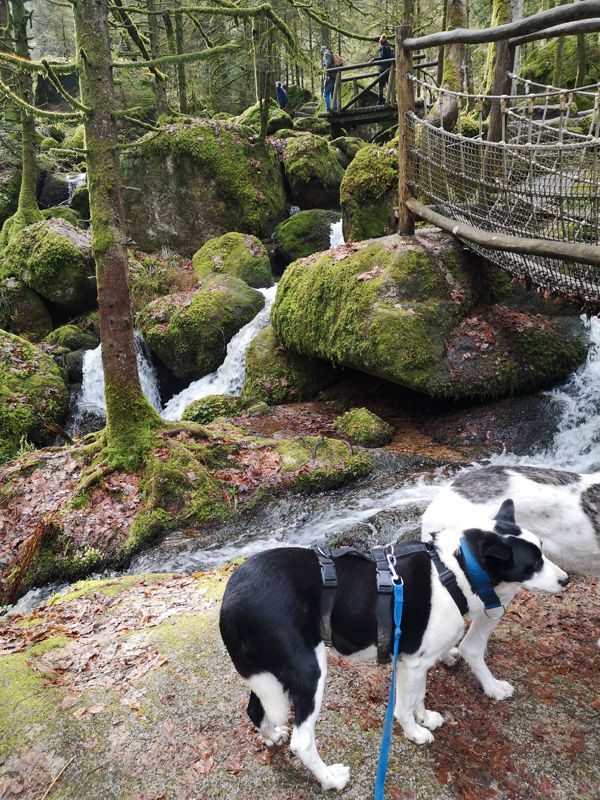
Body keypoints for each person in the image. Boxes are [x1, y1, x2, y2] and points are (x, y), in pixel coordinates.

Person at [375, 34, 394, 105]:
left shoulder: (383, 48)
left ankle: (380, 101)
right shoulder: (389, 47)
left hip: (383, 69)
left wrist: (374, 59)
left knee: (381, 86)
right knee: (389, 84)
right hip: (389, 69)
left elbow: (382, 57)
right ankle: (392, 100)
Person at [320, 44, 338, 113]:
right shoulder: (331, 53)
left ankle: (328, 109)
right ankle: (336, 108)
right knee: (333, 93)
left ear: (323, 51)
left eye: (321, 52)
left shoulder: (326, 54)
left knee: (325, 93)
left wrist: (327, 75)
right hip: (335, 76)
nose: (322, 54)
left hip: (330, 76)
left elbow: (328, 65)